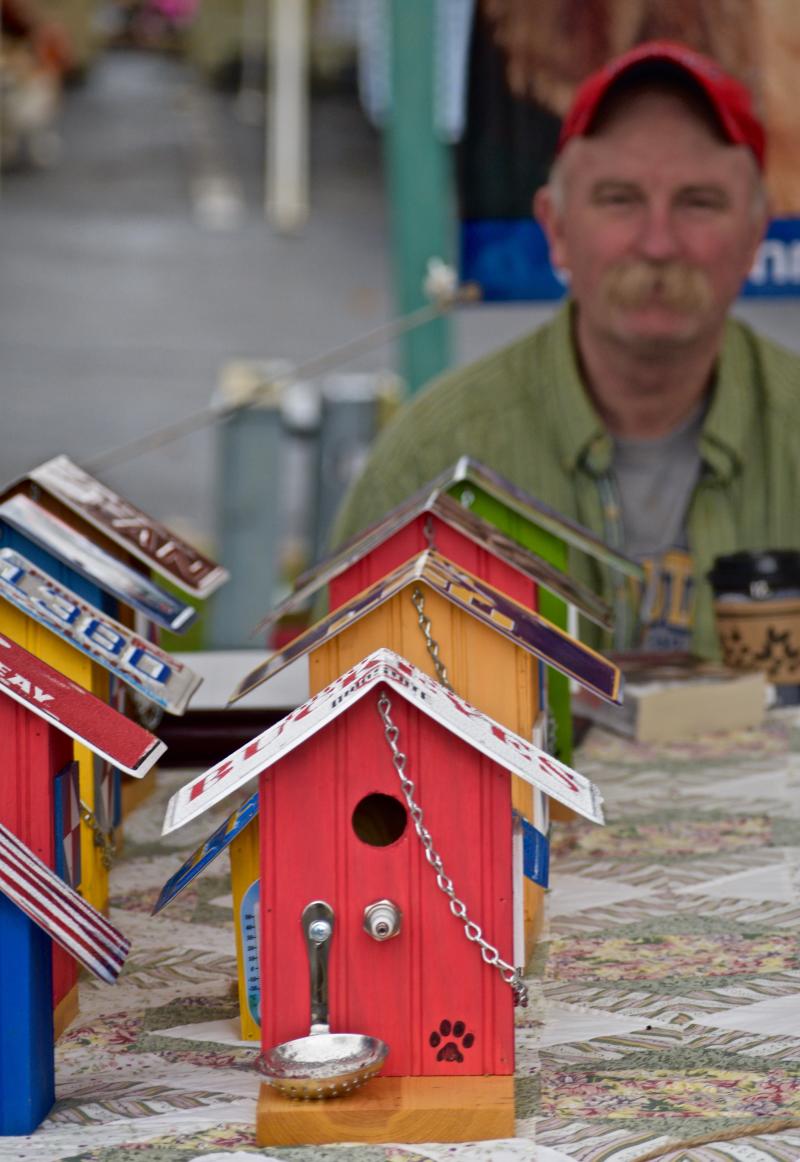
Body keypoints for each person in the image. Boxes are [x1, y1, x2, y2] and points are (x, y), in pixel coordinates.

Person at [332, 40, 800, 660]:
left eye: (699, 202)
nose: (658, 243)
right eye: (619, 199)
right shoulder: (432, 466)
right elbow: (350, 719)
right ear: (555, 228)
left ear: (754, 236)